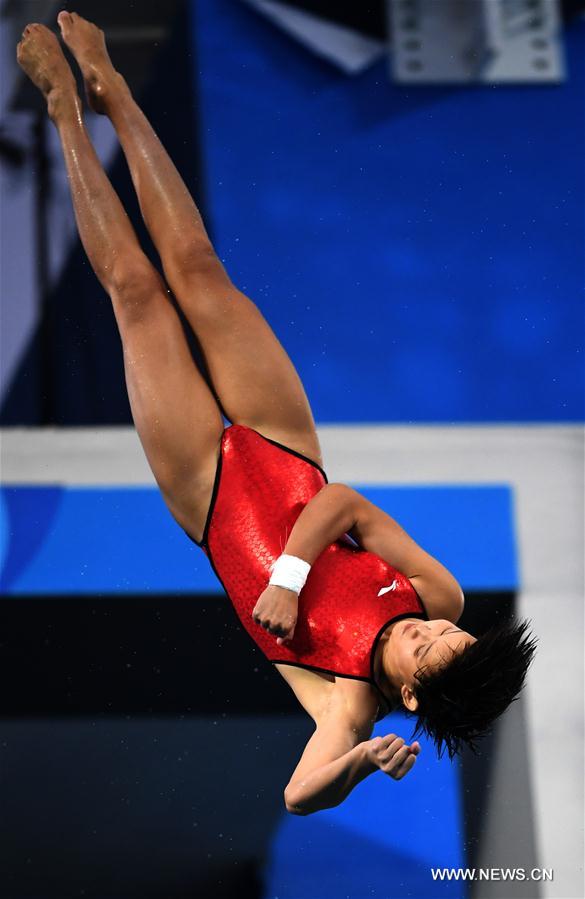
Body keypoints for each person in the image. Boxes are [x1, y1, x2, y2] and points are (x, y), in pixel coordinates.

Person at [17, 13, 537, 816]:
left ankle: (61, 110)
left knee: (137, 299)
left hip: (208, 495)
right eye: (446, 634)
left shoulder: (346, 703)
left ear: (407, 695)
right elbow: (345, 503)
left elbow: (299, 794)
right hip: (286, 448)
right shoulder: (438, 593)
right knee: (196, 269)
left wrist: (357, 763)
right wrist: (291, 578)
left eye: (426, 651)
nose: (427, 632)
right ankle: (113, 90)